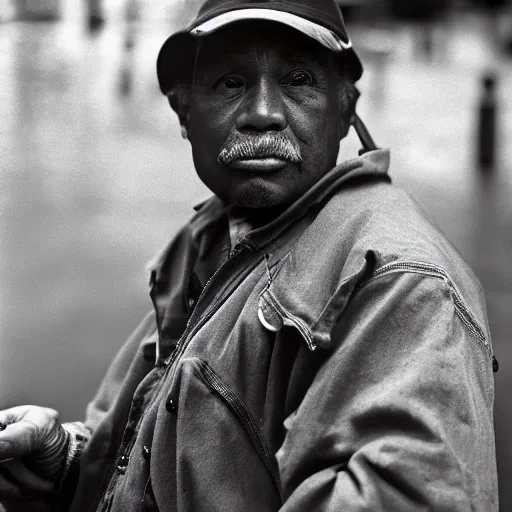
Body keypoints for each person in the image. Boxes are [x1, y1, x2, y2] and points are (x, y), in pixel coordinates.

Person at [0, 0, 499, 510]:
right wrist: (67, 466)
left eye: (299, 79)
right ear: (183, 109)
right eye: (231, 83)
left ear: (345, 106)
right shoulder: (210, 237)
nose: (263, 113)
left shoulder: (397, 285)